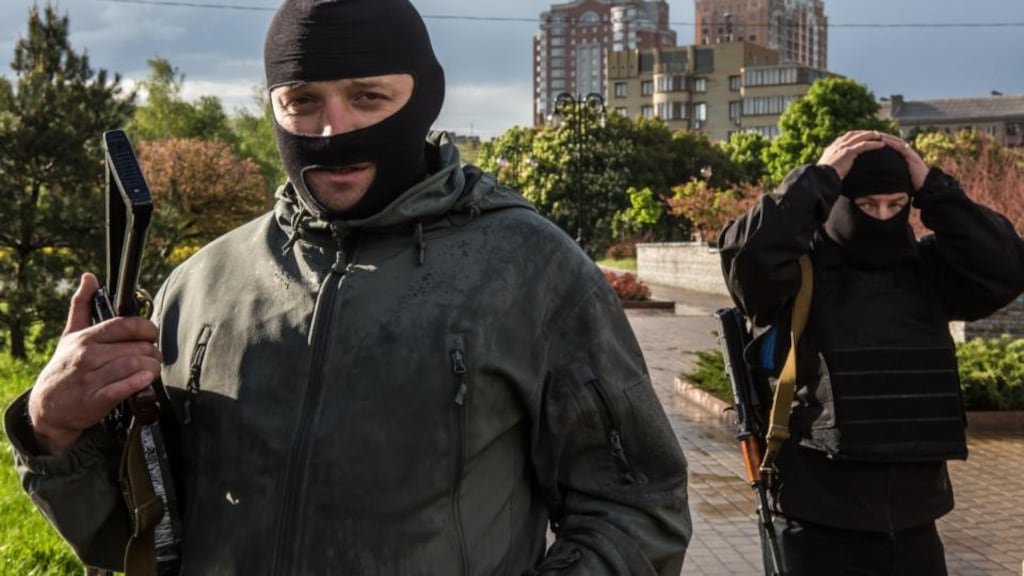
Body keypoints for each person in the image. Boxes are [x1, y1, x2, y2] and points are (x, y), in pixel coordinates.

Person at [3, 0, 692, 574]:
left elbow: (637, 508)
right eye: (302, 101)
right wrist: (53, 428)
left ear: (426, 96)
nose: (333, 131)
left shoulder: (533, 272)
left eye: (368, 97)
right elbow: (140, 543)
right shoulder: (201, 285)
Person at [718, 129, 1024, 575]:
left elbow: (1009, 266)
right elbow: (745, 252)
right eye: (866, 205)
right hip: (818, 522)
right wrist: (817, 177)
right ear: (839, 201)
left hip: (916, 522)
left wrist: (935, 188)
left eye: (896, 205)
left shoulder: (928, 271)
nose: (882, 216)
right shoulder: (795, 275)